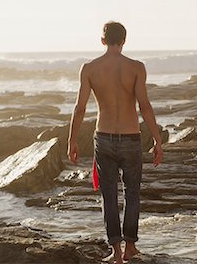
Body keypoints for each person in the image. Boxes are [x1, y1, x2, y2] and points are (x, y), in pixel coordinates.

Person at [67, 21, 163, 264]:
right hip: (132, 138)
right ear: (124, 40)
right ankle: (131, 246)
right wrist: (157, 139)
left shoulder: (89, 68)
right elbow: (145, 106)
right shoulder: (137, 67)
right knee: (133, 194)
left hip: (105, 138)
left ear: (102, 40)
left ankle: (116, 253)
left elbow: (79, 108)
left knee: (108, 196)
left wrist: (72, 141)